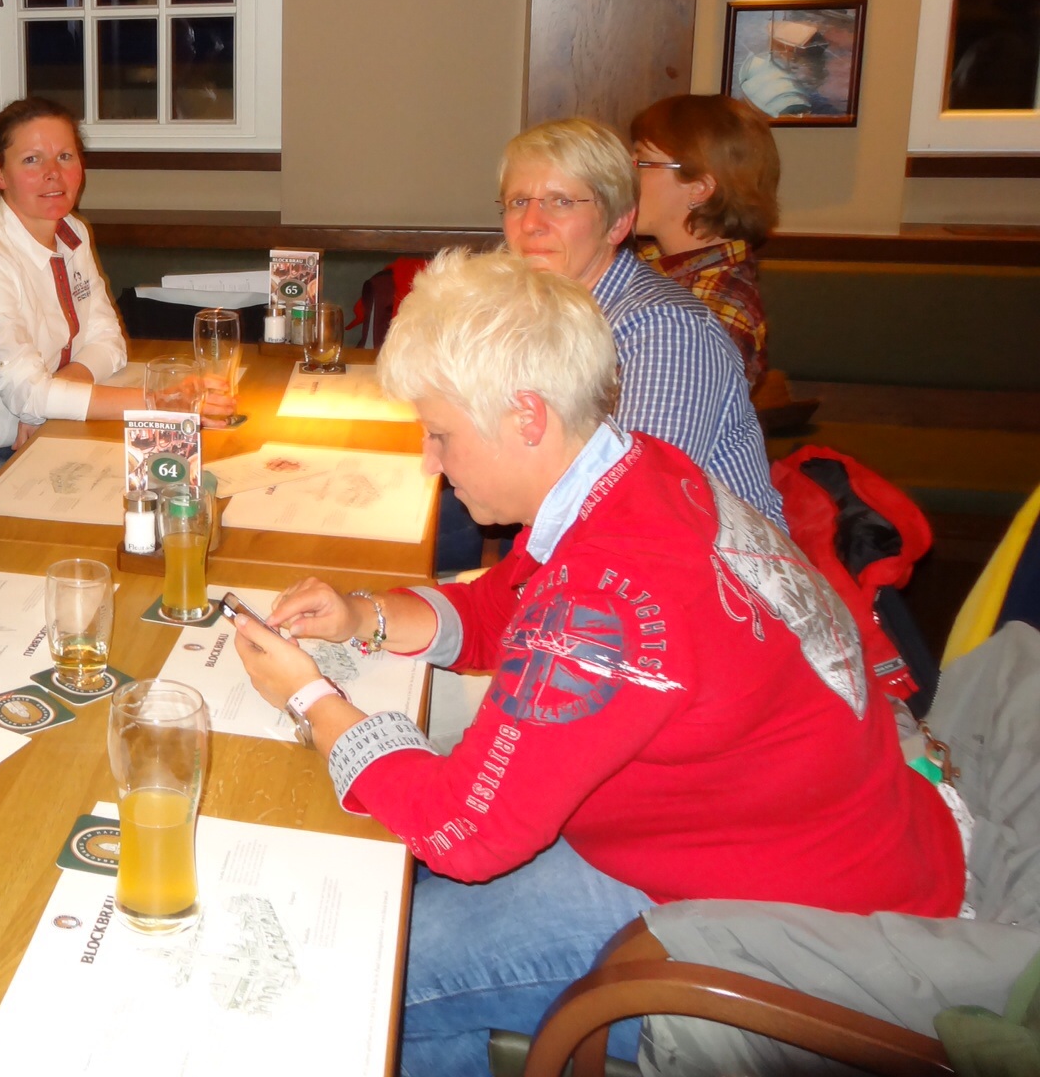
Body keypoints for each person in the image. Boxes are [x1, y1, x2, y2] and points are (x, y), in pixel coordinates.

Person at [231, 249, 965, 1077]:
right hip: (819, 842)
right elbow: (511, 605)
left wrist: (312, 700)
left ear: (526, 417)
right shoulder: (638, 468)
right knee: (392, 907)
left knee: (352, 972)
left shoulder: (610, 592)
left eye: (440, 434)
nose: (430, 460)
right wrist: (368, 616)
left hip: (793, 930)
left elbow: (464, 829)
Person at [0, 98, 231, 506]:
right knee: (83, 510)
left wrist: (53, 398)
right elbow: (28, 395)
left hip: (33, 432)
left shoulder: (71, 232)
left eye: (65, 156)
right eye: (31, 159)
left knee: (153, 489)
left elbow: (108, 342)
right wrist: (162, 402)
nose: (53, 172)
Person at [499, 115, 783, 522]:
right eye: (518, 202)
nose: (530, 224)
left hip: (697, 556)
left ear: (618, 223)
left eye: (561, 202)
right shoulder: (544, 308)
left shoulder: (665, 330)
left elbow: (637, 511)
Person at [630, 94, 780, 391]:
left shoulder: (714, 308)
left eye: (641, 163)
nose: (626, 176)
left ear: (699, 188)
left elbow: (666, 409)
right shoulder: (650, 263)